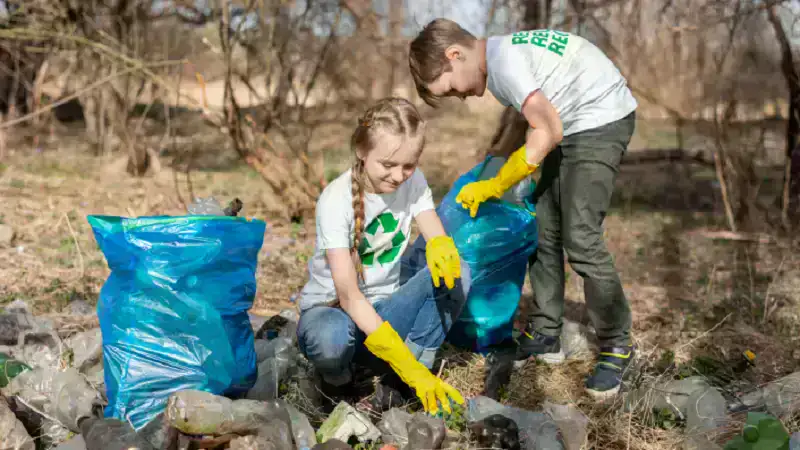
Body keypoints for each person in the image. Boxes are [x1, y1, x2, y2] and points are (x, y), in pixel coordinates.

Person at [408, 19, 638, 399]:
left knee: (580, 236)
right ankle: (547, 332)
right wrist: (494, 168)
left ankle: (618, 343)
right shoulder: (500, 60)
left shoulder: (504, 62)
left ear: (456, 54)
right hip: (572, 120)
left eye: (451, 88)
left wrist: (498, 184)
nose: (459, 97)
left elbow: (548, 130)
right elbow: (529, 123)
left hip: (599, 118)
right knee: (542, 226)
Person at [296, 97, 471, 414]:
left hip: (385, 312)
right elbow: (349, 298)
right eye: (388, 165)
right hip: (334, 313)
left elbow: (434, 230)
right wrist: (404, 362)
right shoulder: (335, 201)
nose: (399, 175)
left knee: (458, 273)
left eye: (408, 165)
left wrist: (441, 245)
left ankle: (402, 382)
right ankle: (338, 381)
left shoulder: (413, 181)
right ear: (362, 151)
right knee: (329, 340)